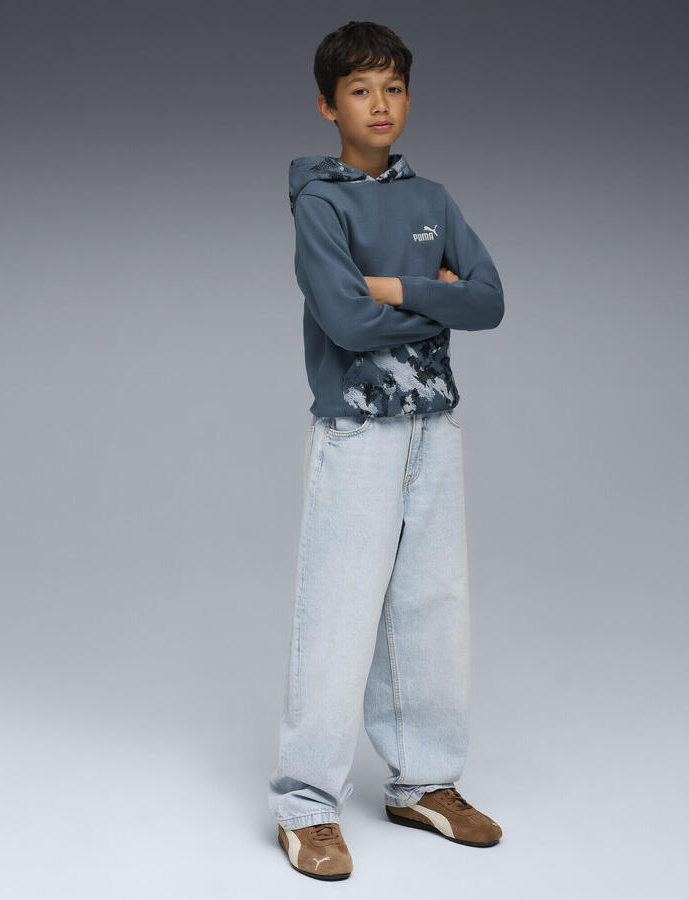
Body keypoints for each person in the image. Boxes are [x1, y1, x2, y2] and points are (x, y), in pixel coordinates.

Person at [267, 20, 505, 880]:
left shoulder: (433, 199)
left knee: (432, 606)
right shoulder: (320, 202)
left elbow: (489, 300)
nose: (380, 105)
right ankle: (306, 803)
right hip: (357, 432)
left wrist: (395, 288)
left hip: (433, 429)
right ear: (328, 106)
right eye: (361, 90)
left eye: (393, 88)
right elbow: (345, 320)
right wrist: (435, 301)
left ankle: (423, 782)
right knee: (337, 613)